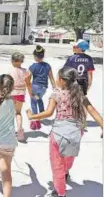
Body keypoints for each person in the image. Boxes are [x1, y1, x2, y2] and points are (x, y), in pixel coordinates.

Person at [26, 67, 103, 197]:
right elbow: (92, 110)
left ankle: (60, 193)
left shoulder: (56, 94)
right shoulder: (79, 94)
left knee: (57, 166)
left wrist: (32, 116)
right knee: (68, 158)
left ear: (61, 80)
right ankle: (66, 172)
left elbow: (49, 113)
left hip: (58, 134)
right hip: (76, 132)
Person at [26, 45, 56, 130]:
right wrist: (54, 87)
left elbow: (27, 77)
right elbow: (51, 78)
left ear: (35, 56)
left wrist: (27, 86)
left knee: (33, 102)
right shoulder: (47, 66)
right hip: (43, 88)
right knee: (39, 99)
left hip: (35, 87)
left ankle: (35, 120)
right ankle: (42, 114)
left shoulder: (33, 66)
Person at [9, 52, 27, 141]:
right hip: (21, 94)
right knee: (18, 112)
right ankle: (20, 128)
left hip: (12, 93)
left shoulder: (11, 71)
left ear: (12, 61)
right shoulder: (25, 71)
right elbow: (27, 82)